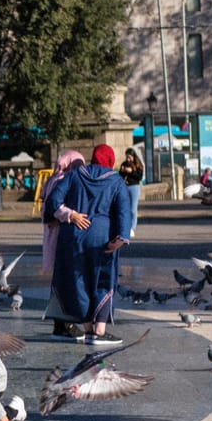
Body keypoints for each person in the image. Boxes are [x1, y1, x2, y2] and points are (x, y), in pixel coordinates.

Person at [45, 143, 132, 346]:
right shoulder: (116, 181)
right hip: (103, 236)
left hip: (74, 235)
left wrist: (71, 214)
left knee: (78, 280)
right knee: (103, 278)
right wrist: (120, 239)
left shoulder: (75, 175)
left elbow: (53, 201)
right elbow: (123, 213)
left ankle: (87, 327)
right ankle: (99, 331)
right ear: (111, 160)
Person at [40, 150, 87, 341]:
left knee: (60, 280)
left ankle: (62, 322)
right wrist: (71, 215)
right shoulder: (64, 179)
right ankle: (63, 323)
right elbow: (52, 207)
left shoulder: (54, 178)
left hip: (54, 236)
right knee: (64, 280)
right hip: (61, 237)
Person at [118, 148, 144, 237]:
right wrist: (122, 171)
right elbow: (120, 176)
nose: (128, 159)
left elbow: (139, 177)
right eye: (126, 157)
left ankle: (132, 228)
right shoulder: (124, 164)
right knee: (125, 208)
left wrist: (132, 171)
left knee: (133, 209)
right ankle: (125, 227)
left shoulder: (138, 165)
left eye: (129, 157)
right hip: (125, 186)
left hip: (134, 187)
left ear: (133, 157)